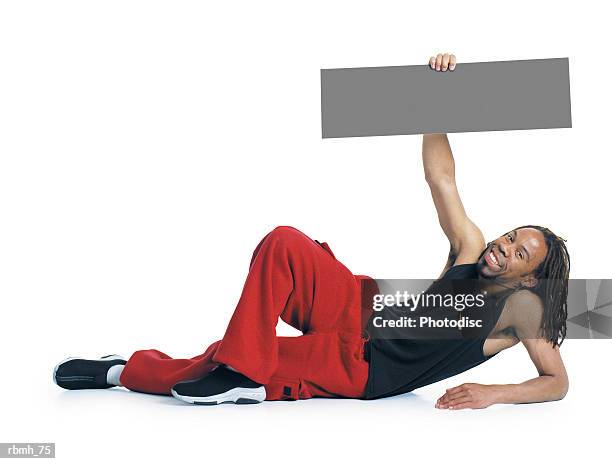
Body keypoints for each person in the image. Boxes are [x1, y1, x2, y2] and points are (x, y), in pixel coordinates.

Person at [53, 53, 570, 410]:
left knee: (224, 359)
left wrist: (492, 393)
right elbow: (442, 177)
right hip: (359, 305)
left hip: (361, 367)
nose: (503, 247)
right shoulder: (471, 250)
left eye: (519, 252)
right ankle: (240, 368)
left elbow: (557, 383)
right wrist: (435, 95)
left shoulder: (520, 313)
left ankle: (122, 372)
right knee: (284, 243)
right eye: (509, 237)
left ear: (529, 279)